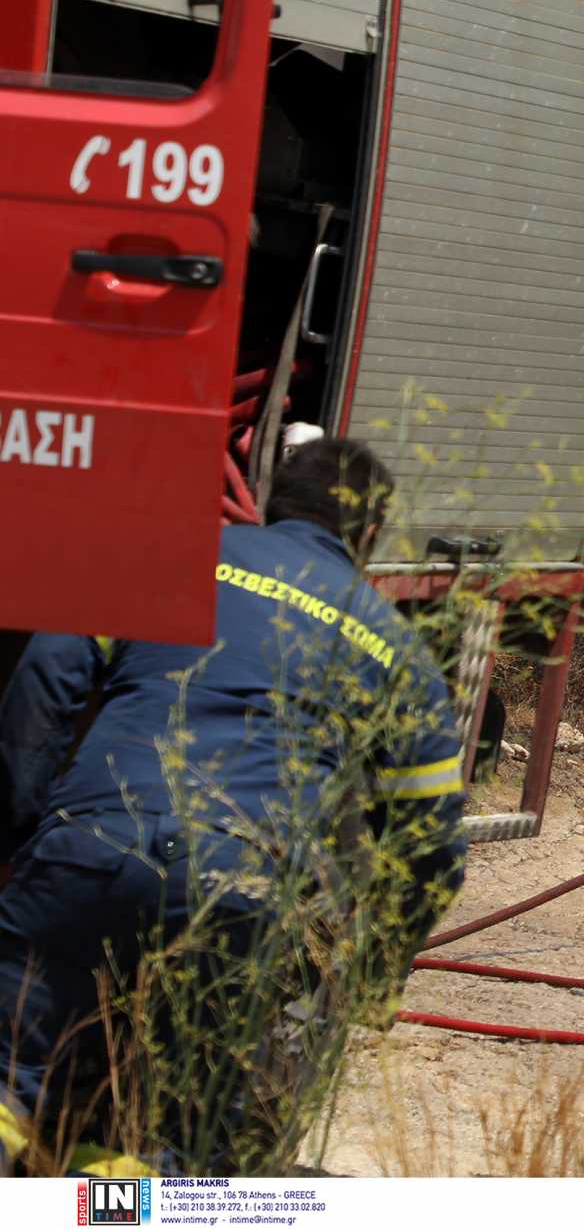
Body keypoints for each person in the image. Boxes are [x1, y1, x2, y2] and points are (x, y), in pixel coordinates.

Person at [0, 437, 465, 1176]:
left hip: (90, 843)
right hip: (240, 894)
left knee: (12, 1077)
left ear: (272, 501)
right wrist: (376, 971)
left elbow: (45, 678)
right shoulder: (396, 650)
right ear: (369, 536)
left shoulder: (166, 555)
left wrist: (24, 831)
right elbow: (431, 846)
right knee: (163, 1135)